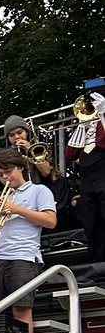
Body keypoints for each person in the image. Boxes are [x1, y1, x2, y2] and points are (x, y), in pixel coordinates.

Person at [0, 148, 57, 333]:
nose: (5, 178)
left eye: (8, 172)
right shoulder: (2, 197)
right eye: (0, 175)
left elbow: (50, 221)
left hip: (24, 255)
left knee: (21, 309)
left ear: (21, 168)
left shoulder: (39, 190)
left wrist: (17, 209)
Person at [64, 90, 105, 263]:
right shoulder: (81, 127)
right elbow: (70, 154)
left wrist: (102, 116)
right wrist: (81, 126)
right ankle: (96, 260)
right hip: (88, 176)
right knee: (91, 218)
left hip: (103, 170)